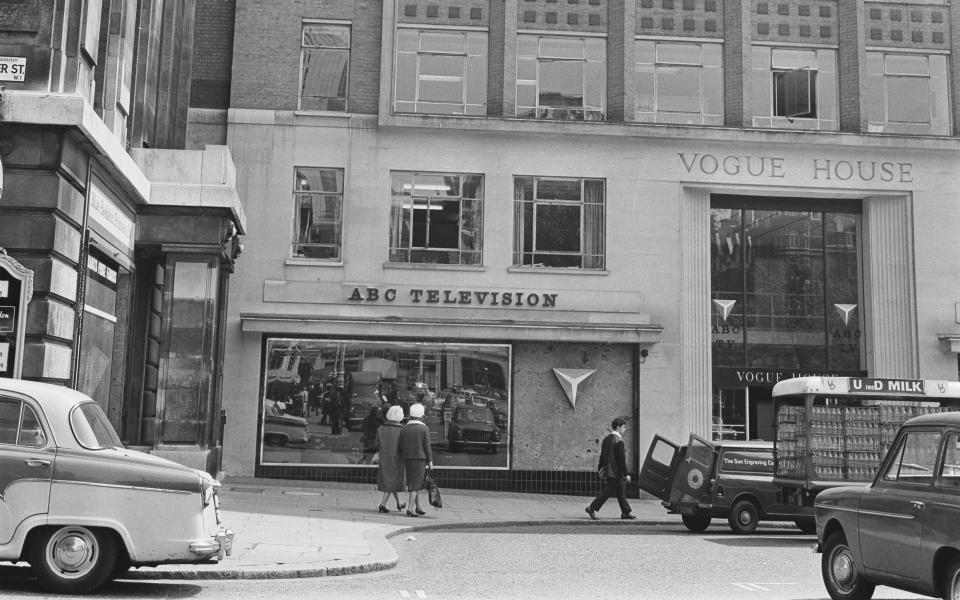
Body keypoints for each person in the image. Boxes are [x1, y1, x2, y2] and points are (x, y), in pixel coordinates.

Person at [586, 417, 635, 520]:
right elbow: (621, 460)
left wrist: (600, 468)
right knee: (607, 493)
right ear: (618, 427)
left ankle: (626, 512)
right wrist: (626, 474)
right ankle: (591, 507)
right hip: (616, 473)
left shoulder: (606, 439)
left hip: (609, 471)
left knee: (620, 492)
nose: (625, 430)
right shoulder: (619, 441)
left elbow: (602, 456)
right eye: (623, 427)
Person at [398, 402, 432, 517]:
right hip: (419, 459)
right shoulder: (424, 428)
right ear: (421, 415)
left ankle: (418, 507)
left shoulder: (404, 428)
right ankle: (410, 508)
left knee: (413, 482)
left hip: (408, 458)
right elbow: (427, 446)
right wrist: (430, 460)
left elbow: (400, 445)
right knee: (415, 484)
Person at [376, 405, 406, 512]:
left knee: (390, 481)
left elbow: (377, 443)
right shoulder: (402, 429)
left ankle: (399, 503)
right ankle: (382, 504)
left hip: (384, 457)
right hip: (397, 459)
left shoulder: (381, 428)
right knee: (393, 481)